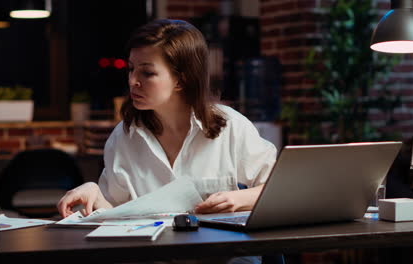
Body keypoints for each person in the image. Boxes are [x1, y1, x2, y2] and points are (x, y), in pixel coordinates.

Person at [58, 18, 276, 222]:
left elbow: (280, 189)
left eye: (147, 73)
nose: (133, 80)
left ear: (181, 80)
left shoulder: (231, 127)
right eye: (131, 69)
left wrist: (239, 199)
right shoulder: (123, 137)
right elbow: (115, 217)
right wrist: (94, 194)